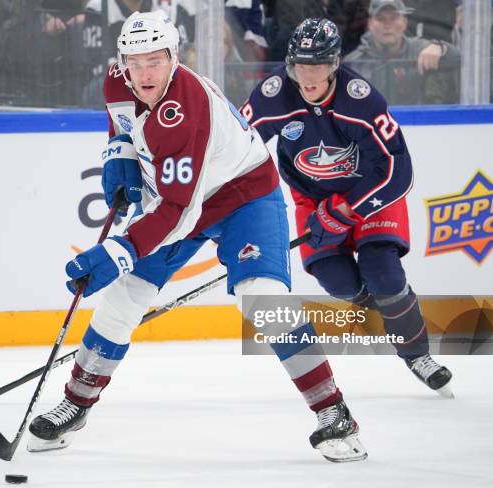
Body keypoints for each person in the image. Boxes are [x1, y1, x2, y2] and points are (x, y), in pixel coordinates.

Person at [27, 10, 367, 463]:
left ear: (174, 57)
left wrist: (119, 251)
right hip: (179, 197)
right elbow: (122, 122)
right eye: (135, 61)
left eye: (156, 60)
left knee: (263, 300)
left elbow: (178, 211)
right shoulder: (117, 79)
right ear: (121, 60)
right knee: (124, 299)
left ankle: (334, 411)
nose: (144, 72)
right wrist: (119, 154)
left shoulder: (186, 110)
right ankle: (77, 400)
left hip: (242, 196)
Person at [240, 18, 453, 400]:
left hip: (369, 195)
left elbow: (398, 171)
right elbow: (237, 148)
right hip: (312, 199)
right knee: (339, 283)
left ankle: (418, 355)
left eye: (317, 66)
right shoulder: (273, 95)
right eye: (299, 66)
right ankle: (390, 310)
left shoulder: (361, 99)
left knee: (382, 271)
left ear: (335, 63)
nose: (307, 77)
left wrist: (345, 211)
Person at [343, 0, 460, 105]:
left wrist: (441, 47)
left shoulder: (419, 48)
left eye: (394, 18)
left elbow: (459, 58)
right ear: (370, 24)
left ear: (404, 22)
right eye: (380, 19)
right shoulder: (353, 62)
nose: (388, 25)